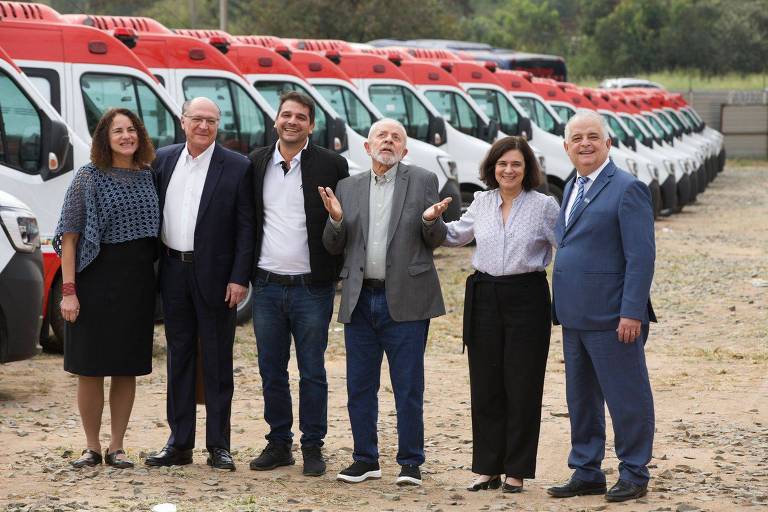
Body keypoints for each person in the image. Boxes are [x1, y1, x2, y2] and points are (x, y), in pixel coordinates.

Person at [319, 118, 452, 487]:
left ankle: (410, 462)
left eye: (396, 137)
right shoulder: (348, 186)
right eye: (382, 135)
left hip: (407, 300)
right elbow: (334, 245)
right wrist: (335, 219)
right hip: (360, 298)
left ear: (405, 150)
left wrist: (430, 221)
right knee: (359, 385)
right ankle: (365, 459)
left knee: (408, 385)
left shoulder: (423, 181)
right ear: (367, 146)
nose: (389, 141)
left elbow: (435, 238)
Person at [547, 110, 656, 502]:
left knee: (627, 396)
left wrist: (632, 311)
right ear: (566, 147)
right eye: (577, 138)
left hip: (614, 317)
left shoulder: (627, 188)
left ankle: (634, 471)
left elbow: (641, 257)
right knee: (582, 398)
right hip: (574, 316)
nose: (585, 144)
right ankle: (587, 468)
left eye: (593, 136)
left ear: (608, 143)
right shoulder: (572, 186)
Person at [440, 136, 559, 493]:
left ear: (527, 170)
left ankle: (517, 469)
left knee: (522, 385)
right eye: (502, 164)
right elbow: (454, 236)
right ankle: (487, 467)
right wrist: (431, 219)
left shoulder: (544, 206)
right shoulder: (481, 201)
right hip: (485, 296)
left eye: (516, 164)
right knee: (486, 383)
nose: (509, 170)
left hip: (527, 295)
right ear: (493, 167)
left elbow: (566, 245)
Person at [145, 97, 254, 471]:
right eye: (197, 119)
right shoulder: (163, 159)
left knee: (218, 360)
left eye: (211, 120)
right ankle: (179, 443)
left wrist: (240, 277)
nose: (203, 126)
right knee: (179, 358)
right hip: (173, 270)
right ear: (183, 121)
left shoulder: (237, 166)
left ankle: (219, 445)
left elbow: (246, 227)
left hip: (218, 277)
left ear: (218, 125)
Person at [247, 91, 349, 477]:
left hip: (313, 286)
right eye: (286, 115)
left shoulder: (332, 165)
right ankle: (279, 442)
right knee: (271, 369)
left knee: (312, 370)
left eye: (301, 117)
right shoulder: (256, 163)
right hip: (268, 284)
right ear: (276, 120)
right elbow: (247, 221)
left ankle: (312, 446)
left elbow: (344, 222)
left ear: (311, 125)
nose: (292, 122)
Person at [55, 108, 159, 469]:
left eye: (132, 129)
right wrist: (69, 290)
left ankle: (117, 447)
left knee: (126, 367)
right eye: (118, 131)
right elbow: (69, 238)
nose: (126, 136)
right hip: (95, 281)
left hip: (137, 285)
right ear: (105, 138)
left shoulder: (149, 177)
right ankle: (91, 447)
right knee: (91, 367)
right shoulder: (88, 177)